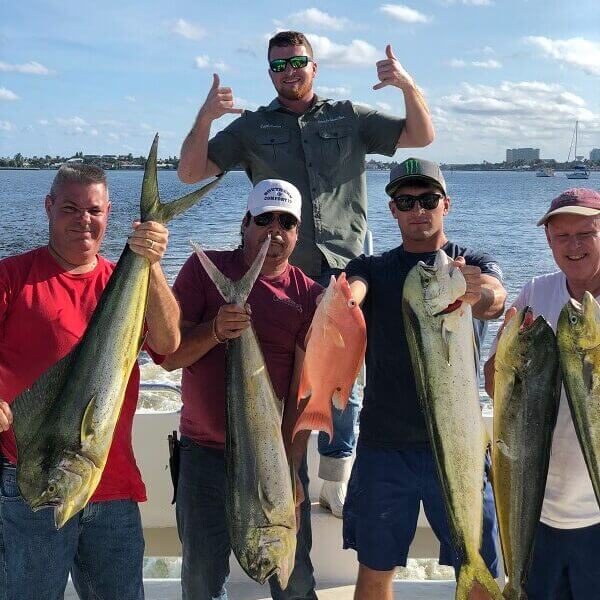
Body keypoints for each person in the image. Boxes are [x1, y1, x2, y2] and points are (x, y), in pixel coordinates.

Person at [177, 29, 435, 515]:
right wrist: (207, 118)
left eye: (297, 62)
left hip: (347, 271)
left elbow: (419, 135)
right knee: (281, 377)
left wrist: (406, 85)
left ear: (314, 67)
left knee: (347, 377)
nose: (289, 72)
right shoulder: (252, 128)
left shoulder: (348, 116)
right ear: (269, 73)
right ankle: (277, 469)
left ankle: (334, 477)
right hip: (279, 273)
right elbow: (191, 173)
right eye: (278, 66)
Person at [0, 163, 180, 600]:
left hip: (113, 483)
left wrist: (150, 263)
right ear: (48, 208)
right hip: (34, 479)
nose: (84, 219)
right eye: (70, 207)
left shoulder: (124, 281)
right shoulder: (12, 276)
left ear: (109, 214)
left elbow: (169, 343)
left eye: (94, 210)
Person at [342, 157, 506, 600]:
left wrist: (478, 293)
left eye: (428, 199)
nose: (419, 209)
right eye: (406, 200)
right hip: (384, 448)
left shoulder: (469, 263)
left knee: (479, 566)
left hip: (460, 447)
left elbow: (495, 298)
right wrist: (345, 301)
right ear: (392, 209)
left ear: (446, 204)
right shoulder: (372, 267)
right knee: (375, 571)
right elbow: (352, 287)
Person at [161, 179, 322, 600]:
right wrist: (215, 330)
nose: (275, 231)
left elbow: (305, 392)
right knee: (201, 579)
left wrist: (291, 466)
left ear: (298, 233)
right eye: (264, 220)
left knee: (294, 578)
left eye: (286, 222)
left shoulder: (309, 296)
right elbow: (168, 355)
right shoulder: (202, 270)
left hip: (274, 460)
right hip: (203, 455)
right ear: (245, 223)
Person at [484, 188, 600, 600]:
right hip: (536, 511)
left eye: (585, 233)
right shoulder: (536, 292)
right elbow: (495, 389)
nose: (574, 246)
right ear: (548, 241)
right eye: (562, 236)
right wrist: (500, 361)